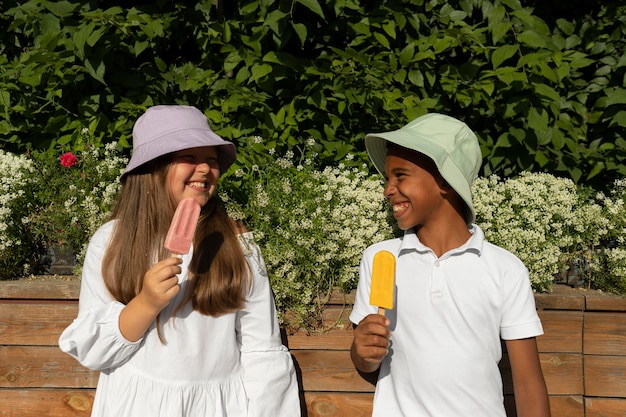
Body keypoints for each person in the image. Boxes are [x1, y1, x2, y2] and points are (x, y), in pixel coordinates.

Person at [59, 105, 300, 417]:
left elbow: (260, 349)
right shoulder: (111, 242)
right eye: (189, 157)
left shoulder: (237, 245)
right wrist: (145, 303)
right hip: (136, 405)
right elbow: (94, 352)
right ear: (153, 168)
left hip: (218, 406)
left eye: (211, 160)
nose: (204, 168)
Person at [349, 113, 551, 417]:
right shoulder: (380, 259)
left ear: (444, 180)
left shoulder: (505, 269)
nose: (387, 189)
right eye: (387, 179)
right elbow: (366, 361)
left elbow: (527, 384)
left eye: (400, 175)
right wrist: (362, 352)